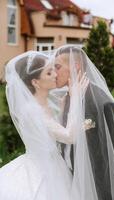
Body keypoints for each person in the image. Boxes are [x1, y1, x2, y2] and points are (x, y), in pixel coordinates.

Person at [0, 51, 96, 200]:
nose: (56, 75)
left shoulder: (49, 102)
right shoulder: (32, 111)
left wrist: (66, 105)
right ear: (35, 82)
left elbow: (53, 129)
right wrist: (76, 99)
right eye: (49, 73)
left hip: (55, 164)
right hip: (41, 170)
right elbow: (69, 136)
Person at [54, 45, 114, 200]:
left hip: (99, 188)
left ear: (75, 66)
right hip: (73, 182)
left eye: (57, 67)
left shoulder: (101, 102)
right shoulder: (67, 98)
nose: (54, 73)